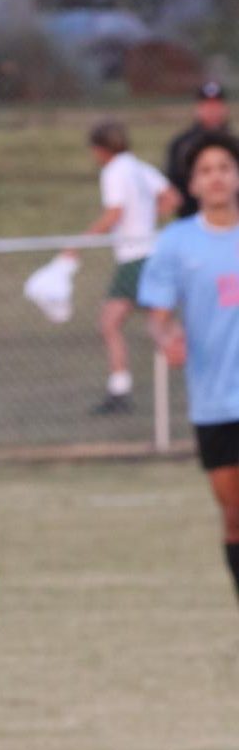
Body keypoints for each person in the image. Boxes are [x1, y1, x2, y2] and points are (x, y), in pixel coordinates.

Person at [140, 129, 239, 607]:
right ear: (193, 184)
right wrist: (167, 338)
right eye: (205, 171)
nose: (216, 178)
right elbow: (157, 319)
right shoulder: (177, 243)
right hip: (217, 402)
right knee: (235, 515)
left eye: (224, 167)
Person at [69, 120, 175, 416]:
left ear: (102, 148)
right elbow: (171, 197)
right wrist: (148, 217)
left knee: (110, 322)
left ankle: (119, 390)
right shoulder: (140, 167)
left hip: (134, 257)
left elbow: (115, 213)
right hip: (151, 252)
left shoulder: (114, 171)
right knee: (160, 322)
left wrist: (78, 243)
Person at [165, 82, 230, 220]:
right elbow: (175, 186)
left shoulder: (233, 144)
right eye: (207, 105)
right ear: (198, 108)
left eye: (216, 105)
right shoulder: (181, 145)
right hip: (192, 217)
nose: (212, 110)